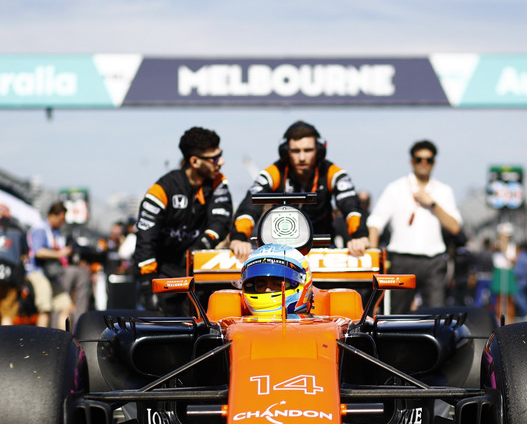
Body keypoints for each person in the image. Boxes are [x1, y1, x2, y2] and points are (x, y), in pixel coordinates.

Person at [229, 121, 369, 262]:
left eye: (308, 150)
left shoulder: (332, 172)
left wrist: (360, 236)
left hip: (322, 249)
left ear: (319, 150)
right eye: (295, 151)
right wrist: (238, 238)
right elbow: (250, 205)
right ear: (285, 152)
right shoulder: (274, 172)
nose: (302, 157)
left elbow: (351, 205)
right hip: (279, 251)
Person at [133, 126, 233, 316]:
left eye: (220, 155)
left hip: (200, 268)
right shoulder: (162, 190)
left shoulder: (218, 182)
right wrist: (148, 285)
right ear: (194, 161)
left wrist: (202, 244)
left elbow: (221, 220)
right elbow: (145, 239)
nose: (221, 162)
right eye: (214, 158)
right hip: (164, 273)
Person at [366, 140, 462, 313]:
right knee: (397, 316)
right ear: (412, 161)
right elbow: (375, 221)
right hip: (402, 260)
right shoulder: (396, 188)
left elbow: (455, 227)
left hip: (434, 261)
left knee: (436, 317)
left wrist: (433, 204)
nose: (424, 163)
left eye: (428, 160)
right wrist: (373, 258)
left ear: (434, 162)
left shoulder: (443, 190)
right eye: (419, 159)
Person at [26, 201, 74, 329]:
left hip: (51, 276)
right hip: (37, 272)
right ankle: (40, 342)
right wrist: (59, 254)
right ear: (53, 215)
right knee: (45, 308)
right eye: (61, 219)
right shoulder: (40, 230)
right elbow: (38, 251)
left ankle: (65, 341)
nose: (62, 222)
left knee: (66, 305)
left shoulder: (56, 233)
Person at [239, 243, 314, 318]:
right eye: (261, 285)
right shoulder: (235, 324)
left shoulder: (322, 327)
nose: (267, 290)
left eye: (277, 284)